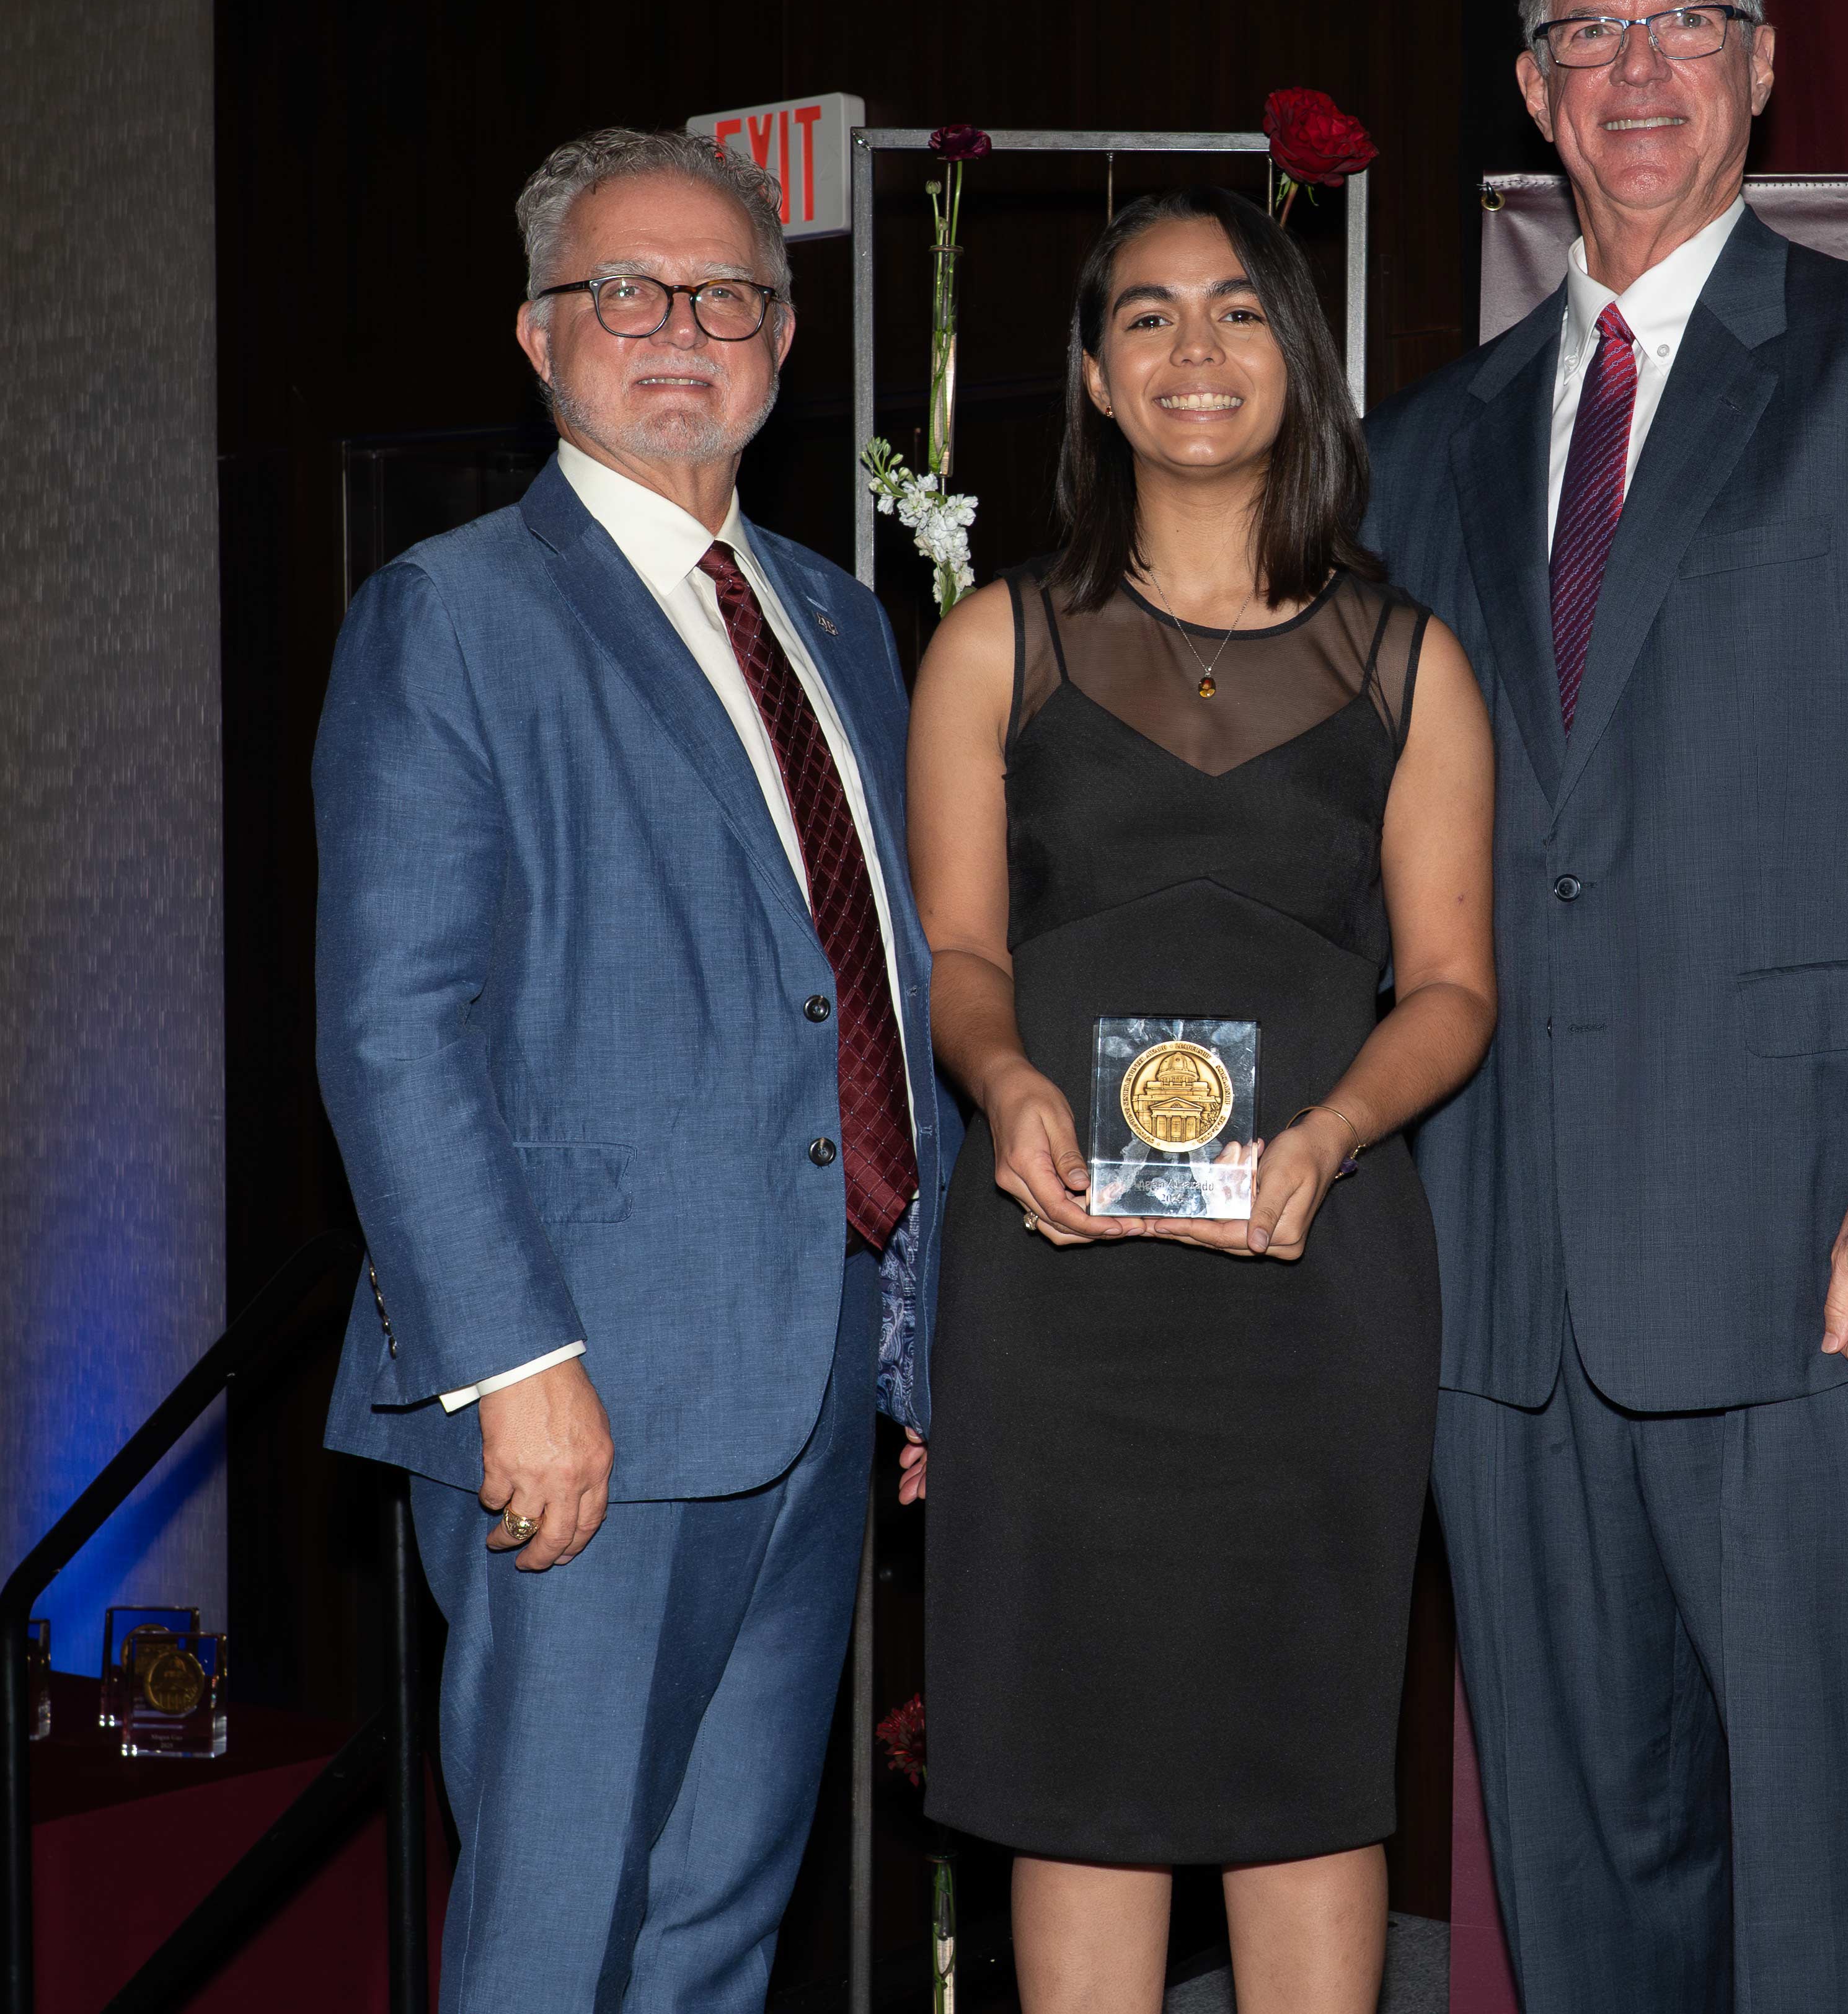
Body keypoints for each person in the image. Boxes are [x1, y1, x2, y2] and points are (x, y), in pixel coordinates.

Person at [1362, 0, 1848, 2011]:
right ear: (1533, 91)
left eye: (1687, 24)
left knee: (1847, 1887)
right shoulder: (1424, 447)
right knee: (1586, 1895)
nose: (1638, 69)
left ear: (1764, 68)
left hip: (1825, 1277)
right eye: (1587, 36)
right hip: (1502, 1300)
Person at [317, 127, 955, 2014]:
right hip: (577, 1401)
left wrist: (917, 1331)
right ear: (538, 335)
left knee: (710, 1931)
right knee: (553, 1937)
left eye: (728, 296)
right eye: (626, 291)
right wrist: (514, 1366)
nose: (680, 329)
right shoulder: (455, 615)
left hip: (812, 1376)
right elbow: (390, 1027)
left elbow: (883, 993)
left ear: (780, 340)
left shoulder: (840, 619)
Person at [908, 188, 1496, 2014]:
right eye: (1146, 318)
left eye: (1239, 315)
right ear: (1093, 377)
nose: (1195, 352)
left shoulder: (1412, 661)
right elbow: (960, 960)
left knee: (1305, 1756)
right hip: (1057, 1272)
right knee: (1077, 1768)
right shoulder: (996, 644)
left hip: (1312, 1277)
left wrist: (1329, 1132)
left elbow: (1458, 987)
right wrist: (1001, 1086)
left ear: (1297, 366)